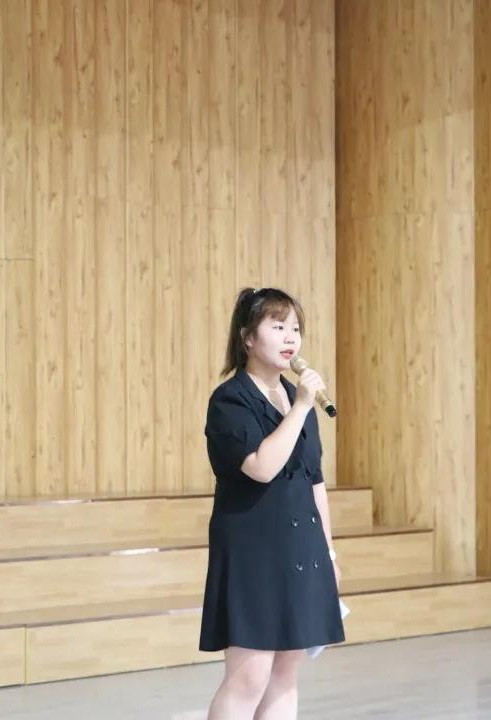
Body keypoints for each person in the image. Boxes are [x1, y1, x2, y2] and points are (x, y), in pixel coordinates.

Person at [200, 287, 344, 719]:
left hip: (300, 550)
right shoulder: (230, 400)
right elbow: (262, 467)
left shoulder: (300, 401)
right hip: (253, 553)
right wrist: (299, 408)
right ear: (248, 338)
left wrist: (329, 551)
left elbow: (314, 482)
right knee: (249, 676)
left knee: (285, 674)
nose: (290, 337)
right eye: (278, 327)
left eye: (295, 328)